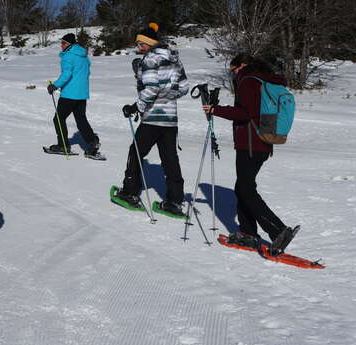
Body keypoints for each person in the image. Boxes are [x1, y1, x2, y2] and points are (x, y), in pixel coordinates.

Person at [202, 53, 295, 255]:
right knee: (242, 187)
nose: (233, 74)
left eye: (234, 70)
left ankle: (278, 230)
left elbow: (246, 113)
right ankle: (247, 233)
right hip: (262, 141)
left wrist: (216, 110)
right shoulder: (263, 79)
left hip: (251, 143)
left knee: (245, 188)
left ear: (242, 66)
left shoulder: (248, 81)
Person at [115, 23, 189, 216]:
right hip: (170, 118)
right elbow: (184, 87)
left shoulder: (150, 59)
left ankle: (129, 193)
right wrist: (167, 95)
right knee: (169, 159)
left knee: (136, 153)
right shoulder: (174, 59)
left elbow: (152, 88)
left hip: (153, 117)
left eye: (141, 44)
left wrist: (135, 107)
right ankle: (175, 201)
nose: (139, 48)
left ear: (149, 43)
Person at [47, 33, 101, 157]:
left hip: (69, 94)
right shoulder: (84, 57)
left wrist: (54, 85)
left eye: (63, 43)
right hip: (81, 94)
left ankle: (63, 145)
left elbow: (67, 74)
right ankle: (92, 142)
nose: (61, 45)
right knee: (81, 119)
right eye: (61, 42)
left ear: (69, 44)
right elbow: (87, 73)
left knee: (58, 119)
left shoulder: (68, 56)